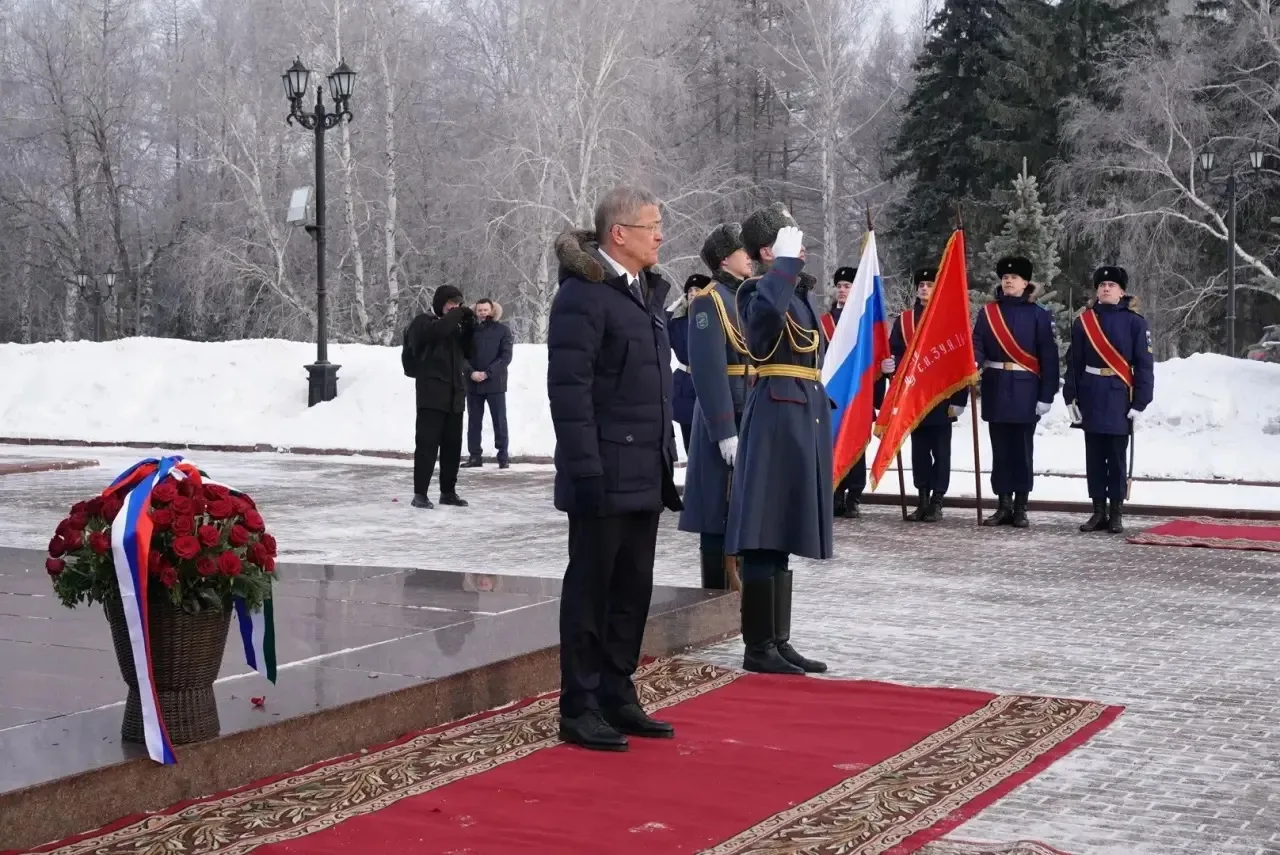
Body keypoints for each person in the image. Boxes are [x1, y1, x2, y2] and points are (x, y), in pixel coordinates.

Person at [547, 185, 683, 752]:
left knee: (632, 589)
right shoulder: (583, 296)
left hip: (645, 469)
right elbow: (569, 391)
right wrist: (585, 471)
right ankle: (579, 706)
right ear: (619, 234)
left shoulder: (644, 293)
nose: (660, 236)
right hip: (602, 472)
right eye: (652, 226)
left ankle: (616, 692)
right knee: (591, 590)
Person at [724, 203, 829, 676]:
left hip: (799, 415)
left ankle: (778, 640)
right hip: (774, 415)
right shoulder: (756, 290)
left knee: (781, 530)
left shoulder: (796, 293)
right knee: (763, 532)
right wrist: (783, 267)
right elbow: (763, 329)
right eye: (789, 245)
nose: (800, 251)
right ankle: (758, 645)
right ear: (768, 252)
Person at [678, 222, 755, 590]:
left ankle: (742, 583)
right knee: (716, 507)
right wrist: (724, 430)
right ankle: (715, 589)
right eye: (743, 252)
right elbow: (708, 370)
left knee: (744, 505)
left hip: (749, 409)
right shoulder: (709, 301)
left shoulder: (746, 296)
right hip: (721, 413)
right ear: (725, 259)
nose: (750, 257)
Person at [1063, 265, 1154, 535]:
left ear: (1121, 291)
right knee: (1094, 457)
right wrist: (1071, 396)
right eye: (1102, 285)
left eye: (1111, 285)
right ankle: (1098, 511)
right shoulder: (1084, 322)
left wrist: (1140, 402)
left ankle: (1116, 513)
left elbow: (1144, 365)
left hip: (1119, 396)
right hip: (1091, 393)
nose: (1105, 288)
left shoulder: (1136, 323)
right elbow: (1074, 363)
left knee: (1115, 457)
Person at [972, 256, 1060, 528]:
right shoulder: (988, 313)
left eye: (1014, 277)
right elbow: (978, 343)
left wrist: (1046, 395)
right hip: (996, 387)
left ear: (1025, 283)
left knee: (1022, 451)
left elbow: (1049, 357)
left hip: (1025, 390)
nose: (1008, 281)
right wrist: (973, 361)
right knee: (1000, 451)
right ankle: (1003, 505)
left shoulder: (1039, 314)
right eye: (1005, 277)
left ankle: (1021, 507)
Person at [888, 267, 970, 521]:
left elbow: (960, 363)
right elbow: (896, 352)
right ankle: (922, 498)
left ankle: (937, 500)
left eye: (930, 284)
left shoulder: (950, 319)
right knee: (919, 451)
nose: (924, 288)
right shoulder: (904, 321)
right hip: (914, 396)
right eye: (921, 284)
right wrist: (891, 366)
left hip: (942, 397)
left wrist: (959, 399)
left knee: (941, 452)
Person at [820, 266, 891, 518]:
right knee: (831, 443)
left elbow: (875, 358)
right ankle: (835, 492)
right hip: (831, 394)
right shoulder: (824, 323)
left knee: (857, 442)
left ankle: (854, 497)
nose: (842, 290)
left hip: (859, 392)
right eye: (839, 286)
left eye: (847, 286)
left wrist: (884, 368)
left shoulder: (865, 323)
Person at [403, 285, 476, 509]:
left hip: (455, 395)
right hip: (431, 395)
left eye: (459, 304)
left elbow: (471, 352)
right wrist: (457, 315)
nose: (455, 308)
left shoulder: (453, 328)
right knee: (427, 445)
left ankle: (448, 492)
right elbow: (436, 333)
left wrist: (470, 327)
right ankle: (420, 494)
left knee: (452, 447)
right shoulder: (423, 322)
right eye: (451, 303)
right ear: (440, 303)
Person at [463, 298, 514, 469]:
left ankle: (503, 457)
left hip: (495, 384)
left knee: (499, 421)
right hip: (473, 384)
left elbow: (506, 356)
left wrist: (488, 373)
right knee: (474, 422)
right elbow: (461, 356)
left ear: (492, 310)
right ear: (475, 311)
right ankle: (475, 456)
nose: (483, 313)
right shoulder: (468, 331)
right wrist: (471, 373)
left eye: (486, 310)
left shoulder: (503, 330)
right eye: (480, 310)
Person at [666, 274, 709, 452]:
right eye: (689, 291)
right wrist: (672, 307)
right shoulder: (678, 324)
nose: (692, 293)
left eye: (697, 290)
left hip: (710, 383)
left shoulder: (717, 320)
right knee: (691, 443)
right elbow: (655, 328)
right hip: (685, 385)